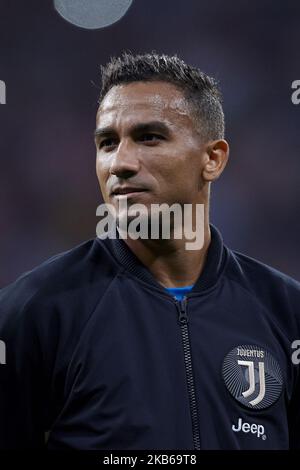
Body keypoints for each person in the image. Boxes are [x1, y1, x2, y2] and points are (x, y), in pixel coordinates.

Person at [0, 52, 299, 450]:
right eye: (107, 143)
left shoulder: (286, 311)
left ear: (212, 158)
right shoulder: (34, 312)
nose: (119, 163)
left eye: (149, 138)